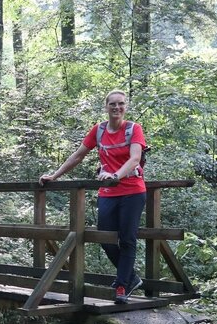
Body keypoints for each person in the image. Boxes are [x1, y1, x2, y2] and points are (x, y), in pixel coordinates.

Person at [38, 90, 147, 304]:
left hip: (132, 191)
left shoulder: (134, 129)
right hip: (108, 192)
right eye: (113, 104)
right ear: (106, 106)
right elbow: (78, 155)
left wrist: (115, 175)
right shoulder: (98, 130)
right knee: (104, 238)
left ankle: (122, 285)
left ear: (126, 107)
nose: (117, 108)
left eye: (121, 104)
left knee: (127, 239)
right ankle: (131, 277)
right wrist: (54, 175)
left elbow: (135, 159)